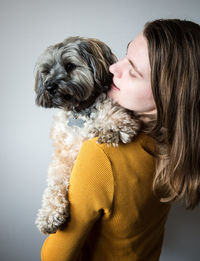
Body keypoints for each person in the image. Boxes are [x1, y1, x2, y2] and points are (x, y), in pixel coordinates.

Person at [40, 19, 200, 261]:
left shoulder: (101, 154)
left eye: (133, 71)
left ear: (165, 95)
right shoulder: (172, 148)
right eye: (126, 54)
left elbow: (53, 256)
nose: (114, 67)